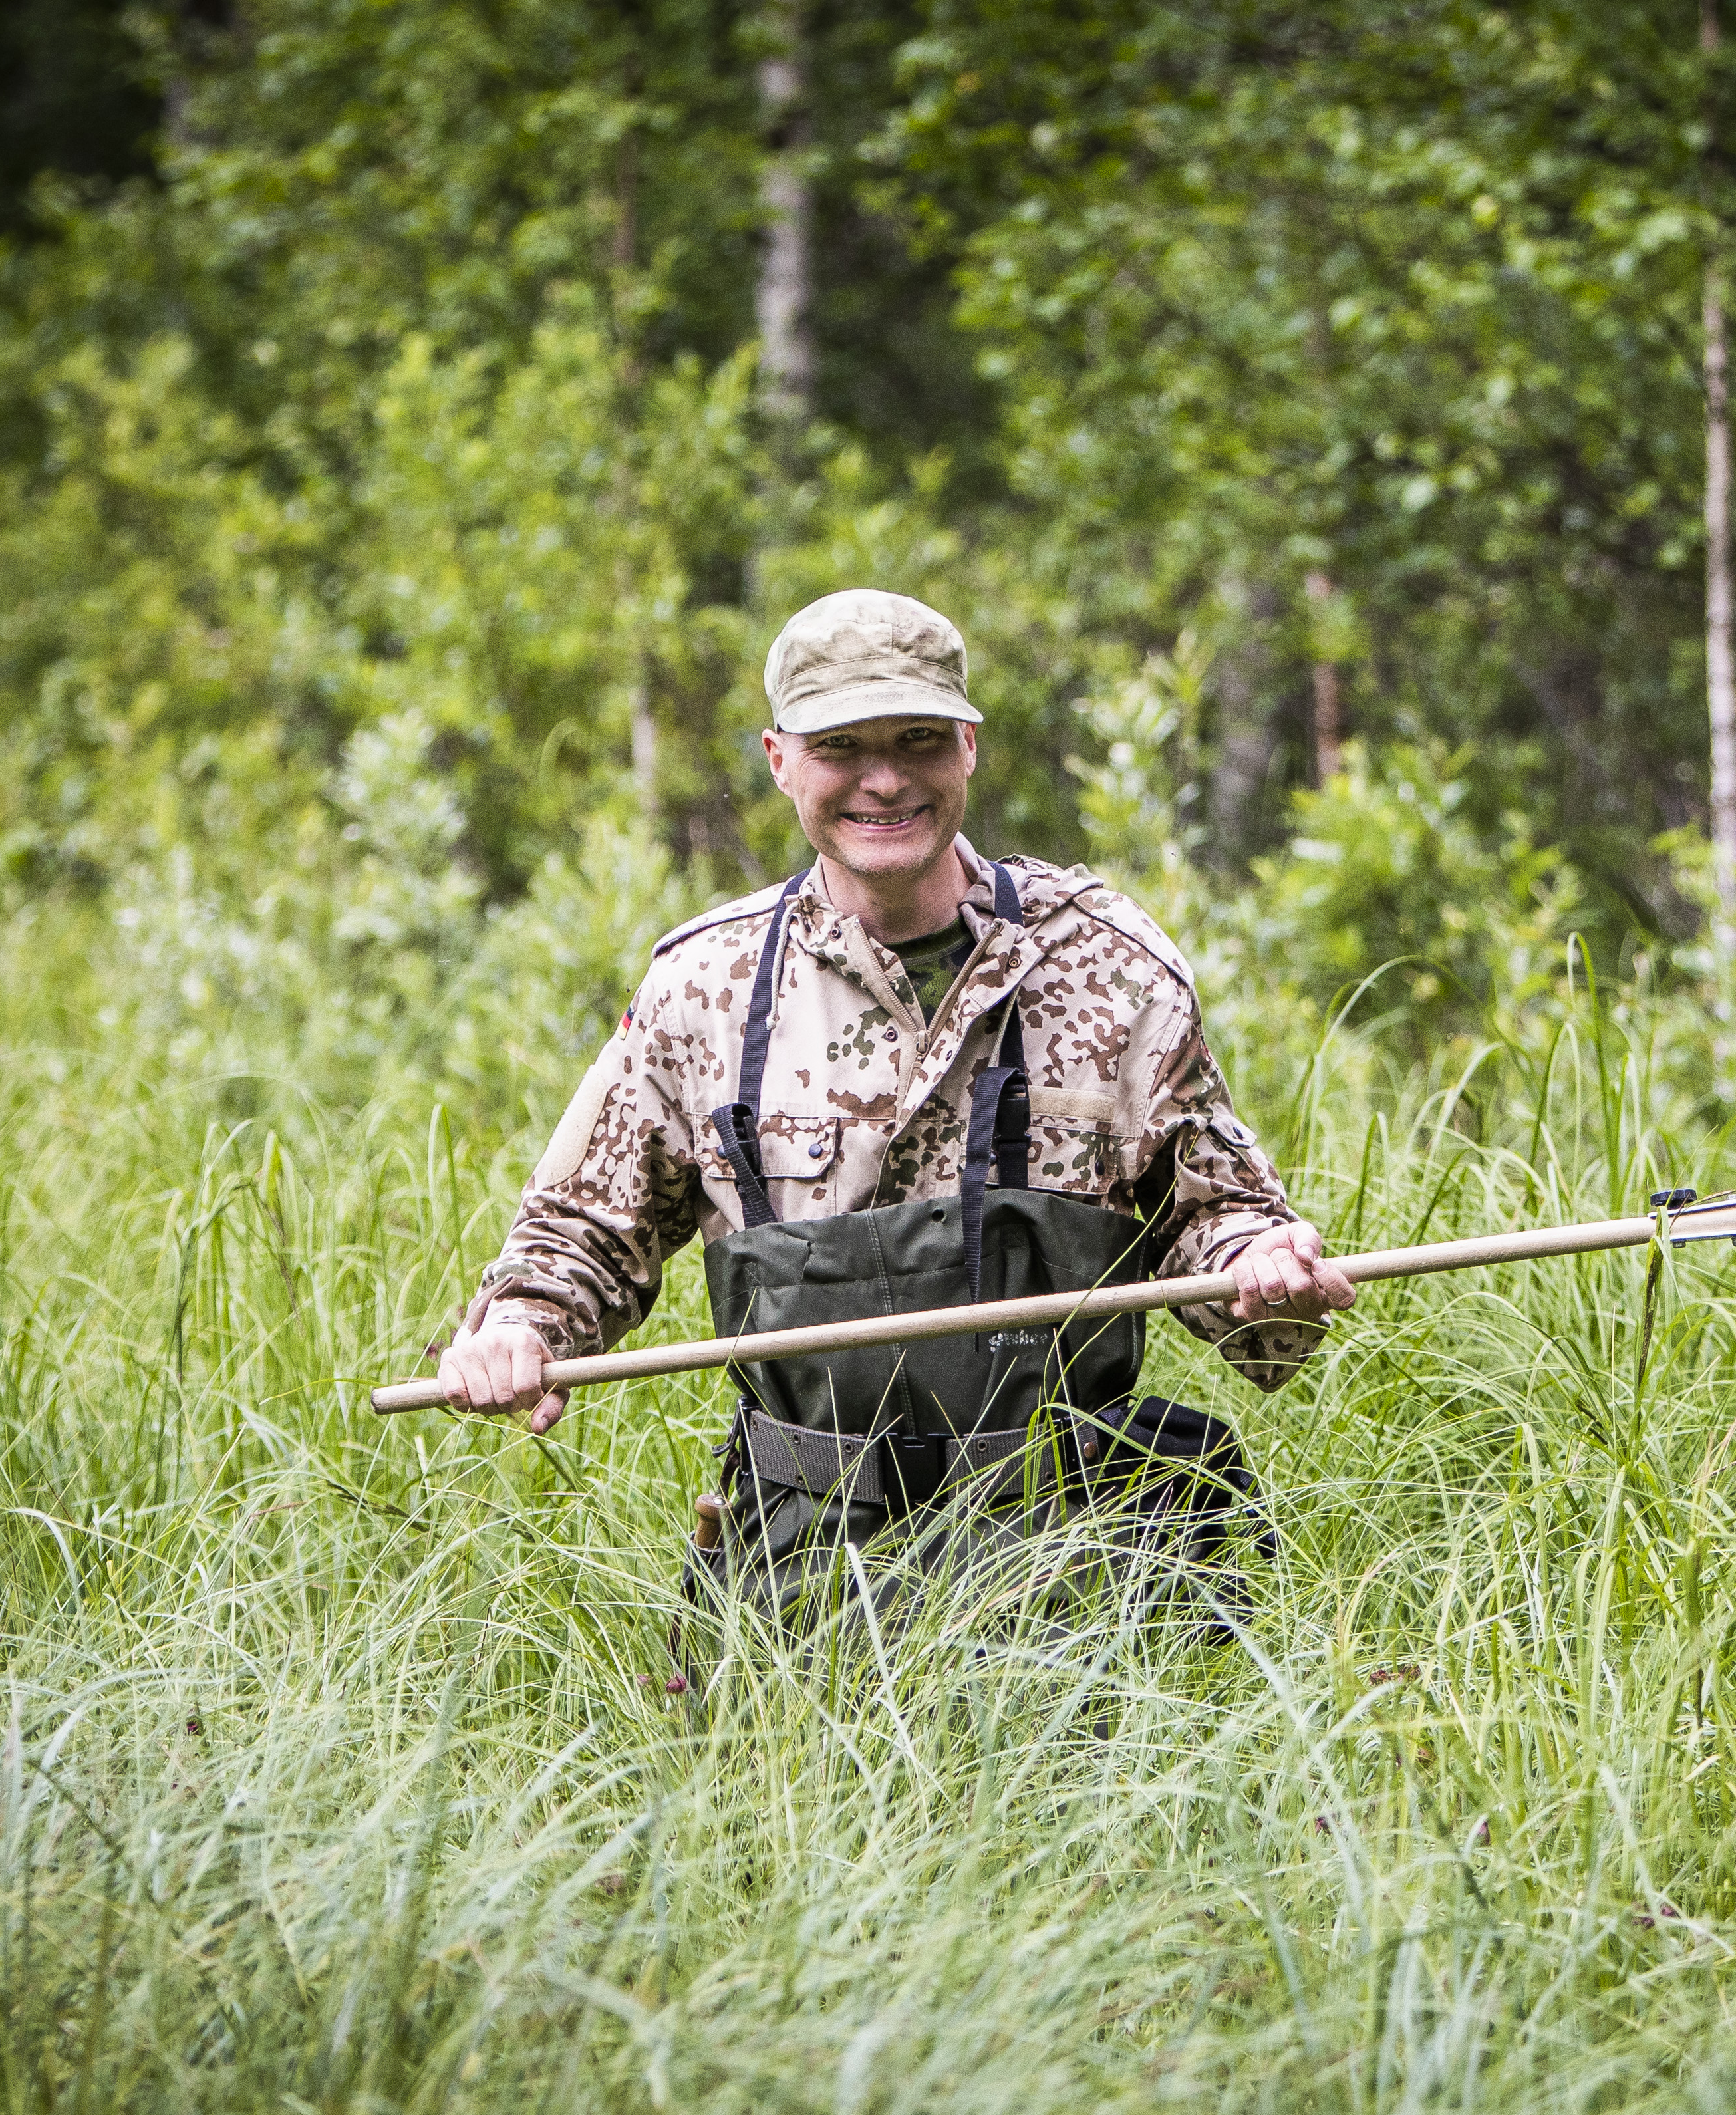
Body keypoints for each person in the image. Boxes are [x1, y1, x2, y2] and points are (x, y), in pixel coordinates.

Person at [435, 587, 1353, 1624]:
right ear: (781, 760)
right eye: (841, 746)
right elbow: (579, 1238)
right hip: (806, 1569)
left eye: (917, 739)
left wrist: (1262, 1266)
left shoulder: (1112, 966)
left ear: (967, 746)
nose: (884, 779)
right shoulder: (705, 989)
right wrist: (521, 1327)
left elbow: (1211, 1213)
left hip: (1088, 1546)